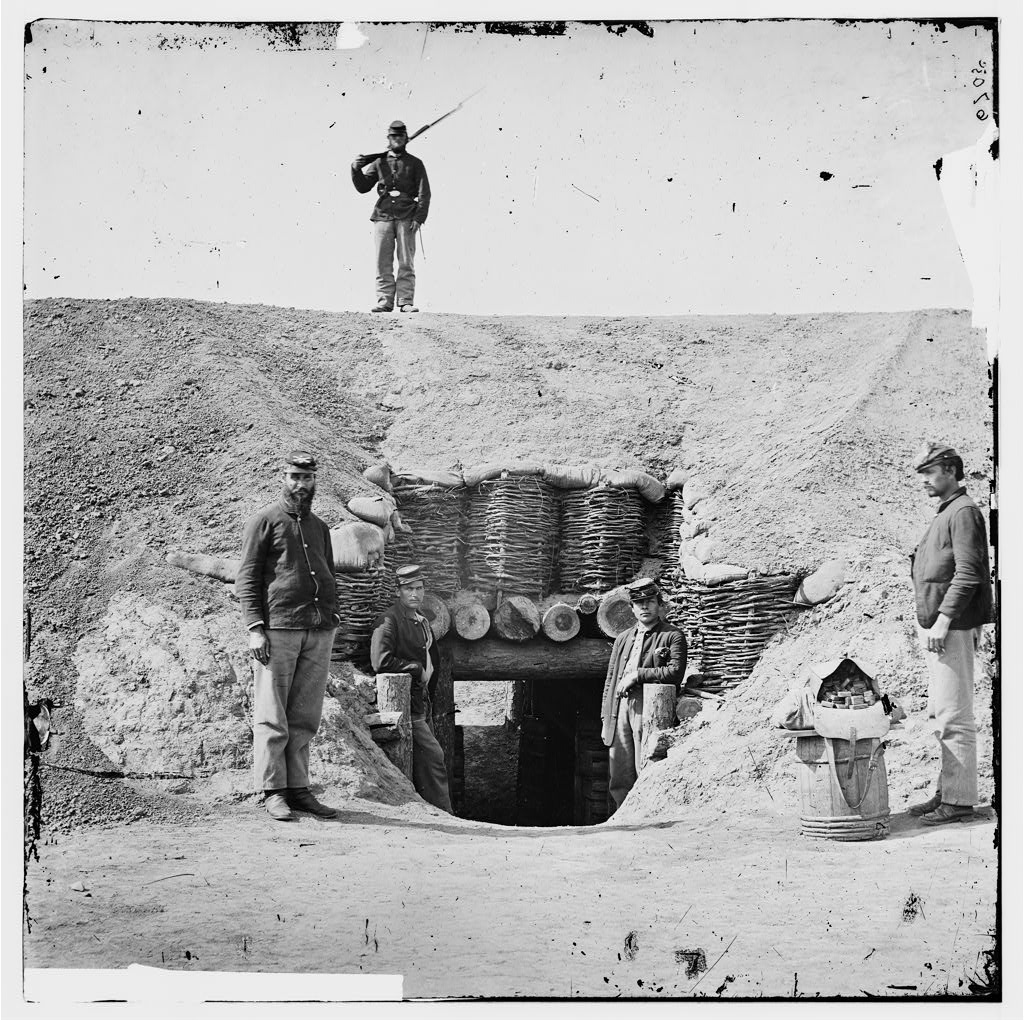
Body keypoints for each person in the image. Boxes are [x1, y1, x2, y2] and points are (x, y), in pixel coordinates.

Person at [235, 451, 341, 822]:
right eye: (295, 477)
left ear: (315, 481)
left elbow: (327, 570)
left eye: (307, 478)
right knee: (272, 714)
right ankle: (273, 790)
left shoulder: (320, 528)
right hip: (277, 629)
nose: (301, 484)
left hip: (317, 629)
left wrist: (332, 613)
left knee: (305, 715)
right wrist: (254, 629)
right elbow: (246, 578)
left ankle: (298, 788)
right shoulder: (264, 521)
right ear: (284, 477)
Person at [907, 442, 993, 826]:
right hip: (945, 626)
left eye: (930, 472)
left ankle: (959, 803)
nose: (924, 480)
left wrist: (944, 620)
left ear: (951, 470)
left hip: (950, 628)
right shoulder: (949, 511)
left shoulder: (964, 512)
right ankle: (949, 791)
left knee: (953, 716)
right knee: (943, 711)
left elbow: (969, 573)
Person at [369, 565, 453, 812]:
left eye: (419, 589)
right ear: (398, 592)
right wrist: (415, 668)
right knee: (435, 758)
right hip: (406, 704)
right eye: (408, 589)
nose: (414, 594)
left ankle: (431, 811)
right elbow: (380, 661)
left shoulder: (422, 621)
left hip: (422, 700)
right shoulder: (389, 621)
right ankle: (446, 814)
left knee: (426, 761)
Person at [600, 578, 687, 813]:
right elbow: (611, 680)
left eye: (649, 601)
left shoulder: (672, 635)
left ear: (659, 604)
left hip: (648, 705)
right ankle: (622, 819)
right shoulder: (622, 638)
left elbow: (675, 672)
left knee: (644, 765)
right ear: (632, 608)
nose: (644, 607)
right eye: (638, 603)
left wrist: (638, 674)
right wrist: (606, 717)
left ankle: (645, 818)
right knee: (619, 770)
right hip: (620, 707)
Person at [350, 119, 431, 314]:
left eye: (401, 136)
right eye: (394, 136)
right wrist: (355, 168)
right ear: (389, 138)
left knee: (406, 261)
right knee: (382, 261)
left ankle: (405, 302)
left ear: (405, 138)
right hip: (383, 215)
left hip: (407, 216)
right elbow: (363, 187)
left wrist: (418, 218)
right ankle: (384, 301)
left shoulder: (415, 163)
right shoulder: (379, 161)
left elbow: (424, 193)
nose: (397, 139)